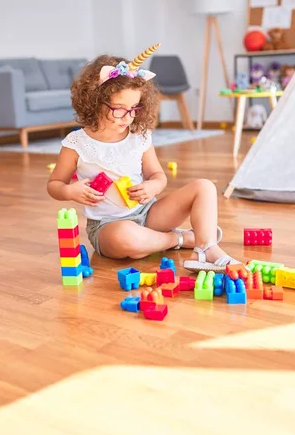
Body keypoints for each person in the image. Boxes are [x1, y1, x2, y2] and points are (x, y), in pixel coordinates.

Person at [47, 43, 237, 271]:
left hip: (148, 214)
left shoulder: (139, 137)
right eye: (119, 108)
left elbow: (158, 175)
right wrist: (70, 191)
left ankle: (206, 247)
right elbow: (54, 185)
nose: (127, 117)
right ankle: (182, 239)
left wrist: (153, 187)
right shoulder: (77, 144)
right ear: (94, 101)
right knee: (125, 238)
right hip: (108, 226)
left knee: (204, 186)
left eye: (133, 108)